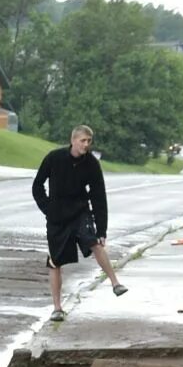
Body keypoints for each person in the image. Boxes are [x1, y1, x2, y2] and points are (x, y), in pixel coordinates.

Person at [30, 124, 128, 323]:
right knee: (55, 260)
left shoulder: (91, 163)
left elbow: (99, 196)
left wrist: (102, 228)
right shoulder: (54, 158)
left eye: (89, 141)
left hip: (80, 211)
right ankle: (57, 308)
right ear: (73, 140)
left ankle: (115, 282)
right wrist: (48, 209)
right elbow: (37, 186)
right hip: (57, 215)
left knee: (94, 241)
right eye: (83, 141)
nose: (86, 145)